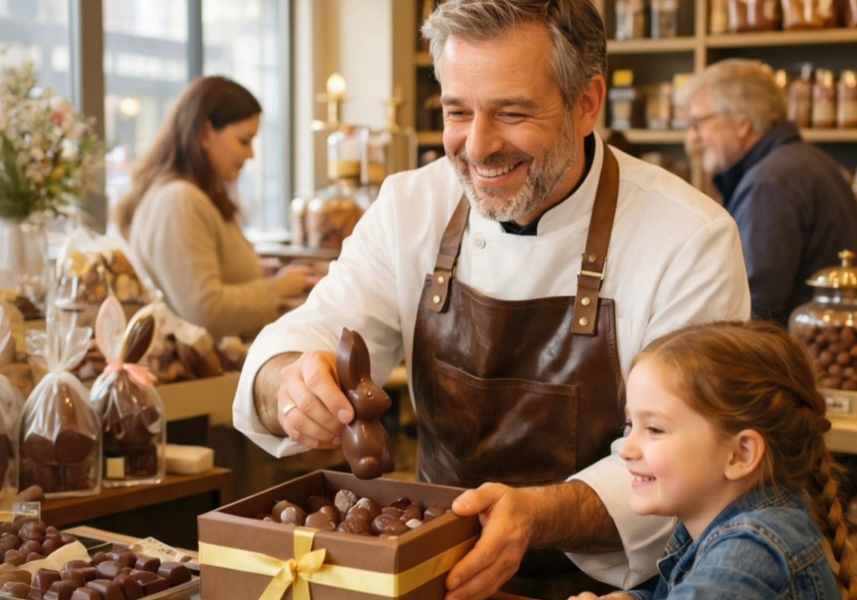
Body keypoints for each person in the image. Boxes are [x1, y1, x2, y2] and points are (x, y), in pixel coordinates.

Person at [231, 0, 752, 597]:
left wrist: (536, 516)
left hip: (614, 586)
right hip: (433, 571)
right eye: (458, 111)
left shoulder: (688, 237)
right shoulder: (411, 208)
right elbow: (314, 332)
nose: (477, 147)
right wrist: (290, 384)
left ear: (587, 103)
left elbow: (693, 461)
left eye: (510, 112)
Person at [570, 321, 857, 600]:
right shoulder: (717, 520)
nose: (627, 449)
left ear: (740, 455)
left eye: (655, 429)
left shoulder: (751, 554)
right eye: (630, 425)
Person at [115, 76, 313, 340]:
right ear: (206, 133)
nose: (251, 154)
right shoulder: (181, 200)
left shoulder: (187, 196)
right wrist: (276, 289)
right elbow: (204, 310)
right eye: (244, 141)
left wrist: (257, 271)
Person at [681, 59, 857, 328]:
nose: (692, 138)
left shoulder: (769, 184)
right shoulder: (808, 161)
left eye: (698, 123)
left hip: (796, 360)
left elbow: (753, 307)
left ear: (742, 121)